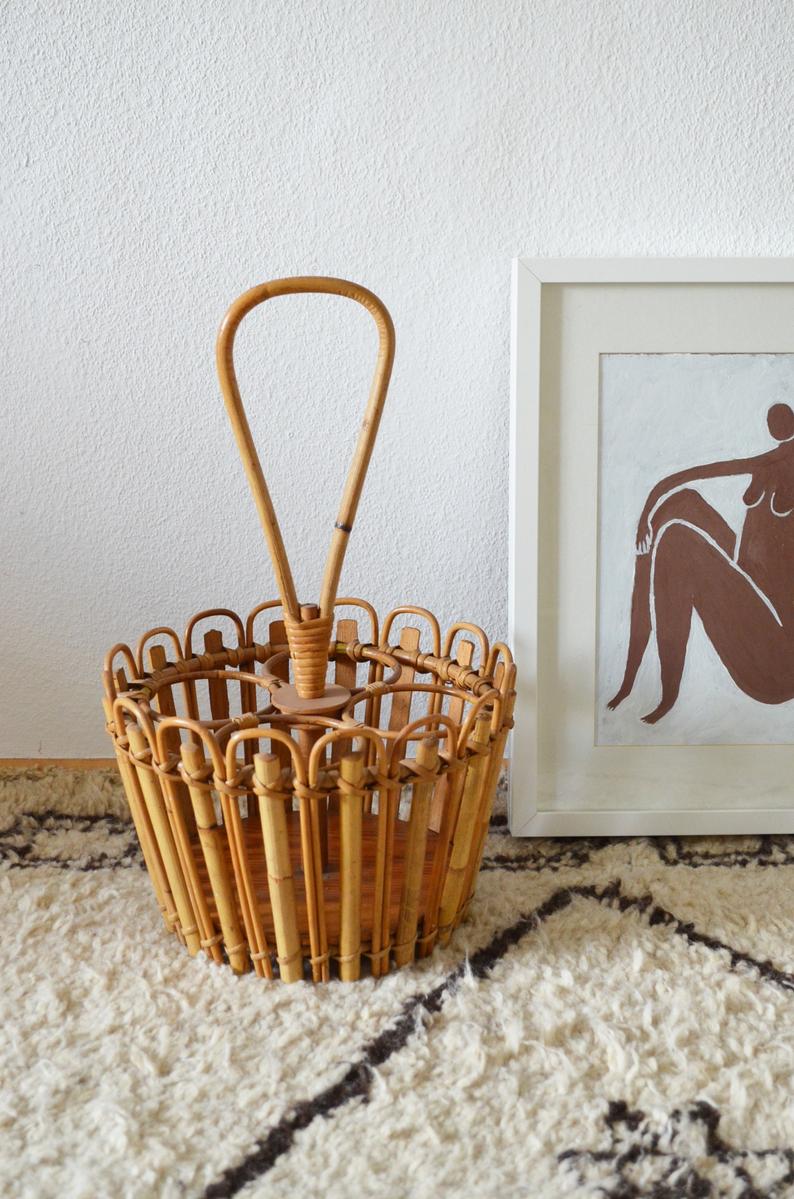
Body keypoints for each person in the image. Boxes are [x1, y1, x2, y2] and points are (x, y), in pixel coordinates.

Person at [608, 402, 794, 723]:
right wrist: (645, 517)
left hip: (777, 663)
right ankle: (633, 669)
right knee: (684, 501)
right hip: (756, 601)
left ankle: (667, 696)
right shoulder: (769, 461)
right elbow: (683, 478)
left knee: (677, 541)